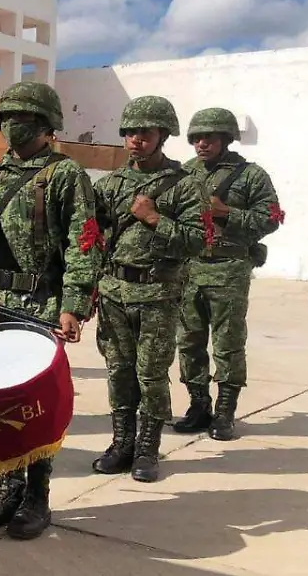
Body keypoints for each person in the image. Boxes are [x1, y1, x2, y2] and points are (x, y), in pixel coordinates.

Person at [0, 81, 101, 540]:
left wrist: (74, 306)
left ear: (45, 125)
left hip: (44, 306)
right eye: (6, 118)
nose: (11, 125)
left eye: (22, 117)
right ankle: (8, 488)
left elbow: (84, 243)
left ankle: (37, 495)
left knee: (36, 405)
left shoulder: (65, 175)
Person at [92, 96, 205, 483]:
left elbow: (198, 241)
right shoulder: (109, 185)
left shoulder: (185, 185)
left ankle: (147, 448)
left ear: (163, 135)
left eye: (145, 132)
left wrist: (155, 218)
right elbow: (91, 237)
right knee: (118, 371)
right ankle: (122, 442)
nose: (135, 139)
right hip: (114, 292)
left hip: (158, 294)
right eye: (130, 132)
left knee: (151, 375)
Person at [175, 108, 283, 441]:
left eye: (209, 138)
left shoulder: (250, 175)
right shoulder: (184, 172)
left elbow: (271, 218)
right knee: (189, 341)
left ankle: (225, 412)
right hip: (189, 269)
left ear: (226, 139)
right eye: (197, 138)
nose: (202, 144)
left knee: (228, 343)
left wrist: (227, 213)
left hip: (229, 270)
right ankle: (198, 405)